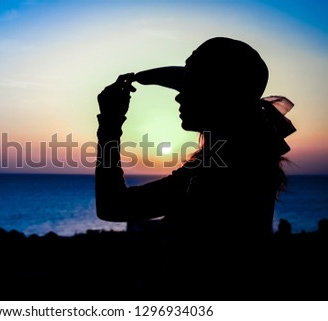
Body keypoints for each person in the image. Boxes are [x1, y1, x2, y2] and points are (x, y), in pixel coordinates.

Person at [95, 37, 296, 249]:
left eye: (189, 86)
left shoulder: (220, 171)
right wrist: (143, 78)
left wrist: (110, 124)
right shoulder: (244, 154)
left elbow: (113, 206)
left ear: (218, 95)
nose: (178, 97)